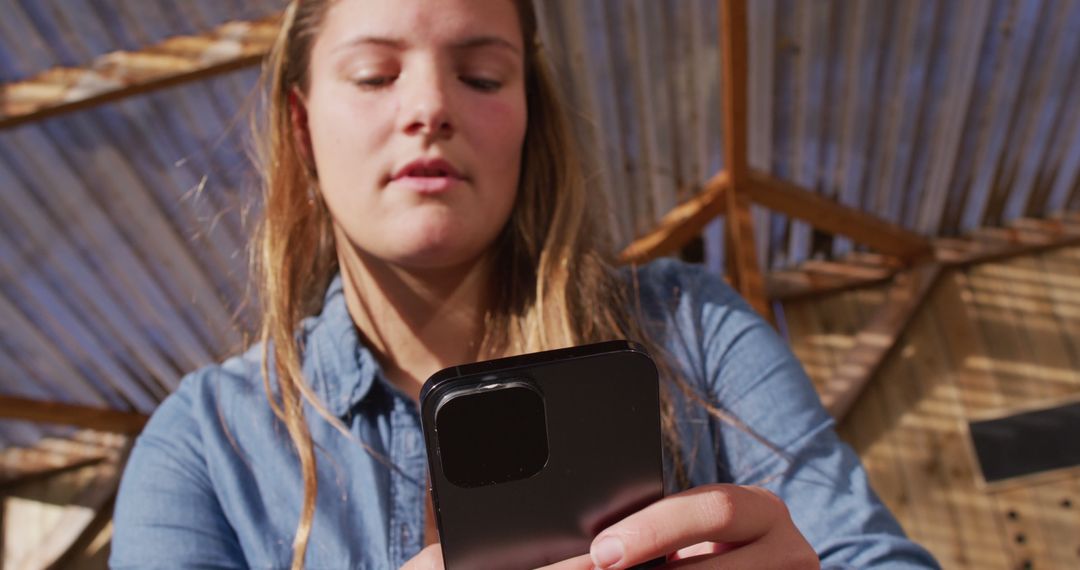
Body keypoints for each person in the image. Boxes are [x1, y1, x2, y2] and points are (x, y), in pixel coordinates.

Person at [111, 0, 940, 568]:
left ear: (529, 117)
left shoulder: (694, 331)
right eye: (374, 75)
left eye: (481, 76)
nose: (430, 105)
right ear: (301, 125)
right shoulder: (205, 442)